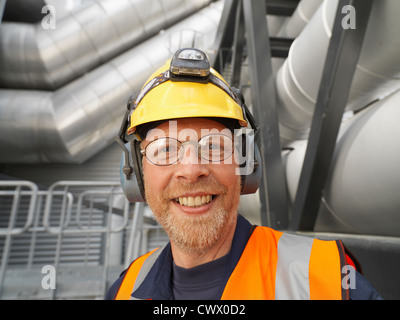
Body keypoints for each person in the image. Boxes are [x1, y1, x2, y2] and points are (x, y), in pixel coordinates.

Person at [107, 48, 382, 300]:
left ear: (246, 164)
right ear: (136, 173)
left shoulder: (328, 281)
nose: (191, 170)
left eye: (214, 146)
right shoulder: (124, 289)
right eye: (164, 149)